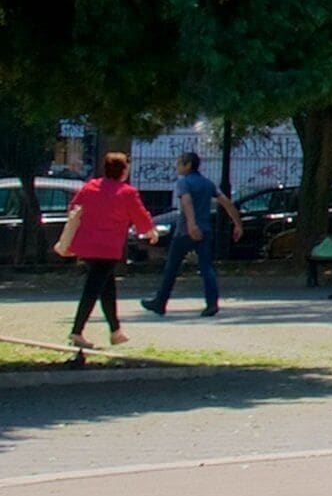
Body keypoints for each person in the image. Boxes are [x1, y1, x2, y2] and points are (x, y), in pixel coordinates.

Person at [59, 150, 156, 353]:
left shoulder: (90, 187)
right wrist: (150, 231)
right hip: (108, 248)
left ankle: (115, 331)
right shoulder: (127, 192)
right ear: (124, 170)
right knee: (93, 289)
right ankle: (77, 331)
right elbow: (140, 215)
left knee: (107, 288)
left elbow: (73, 208)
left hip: (86, 246)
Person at [147, 150, 239, 318]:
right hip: (205, 230)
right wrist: (237, 224)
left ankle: (160, 302)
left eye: (180, 163)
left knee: (172, 268)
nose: (177, 167)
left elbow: (187, 202)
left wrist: (191, 224)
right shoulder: (207, 183)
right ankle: (212, 303)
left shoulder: (184, 182)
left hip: (185, 231)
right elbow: (226, 202)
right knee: (206, 268)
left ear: (188, 165)